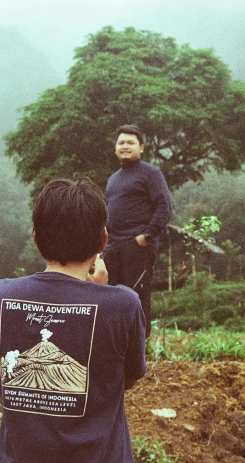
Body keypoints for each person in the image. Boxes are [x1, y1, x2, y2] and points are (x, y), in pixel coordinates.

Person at [0, 178, 147, 463]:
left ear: (36, 238)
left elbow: (2, 373)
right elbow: (125, 380)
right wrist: (100, 291)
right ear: (102, 240)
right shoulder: (123, 305)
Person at [103, 124, 172, 338]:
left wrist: (146, 236)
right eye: (121, 142)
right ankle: (119, 344)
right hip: (112, 247)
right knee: (113, 297)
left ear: (141, 147)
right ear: (115, 148)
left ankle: (141, 347)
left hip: (137, 246)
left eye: (130, 143)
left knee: (137, 296)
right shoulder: (113, 179)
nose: (125, 146)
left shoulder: (151, 173)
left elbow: (164, 206)